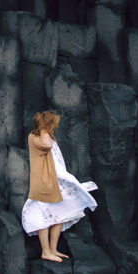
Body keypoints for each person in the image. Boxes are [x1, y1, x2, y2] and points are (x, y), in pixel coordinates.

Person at [21, 111, 98, 262]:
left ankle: (53, 249)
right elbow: (46, 146)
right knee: (41, 212)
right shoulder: (35, 136)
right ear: (47, 124)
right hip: (43, 181)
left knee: (62, 210)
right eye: (53, 124)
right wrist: (44, 130)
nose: (55, 127)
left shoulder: (48, 137)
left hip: (56, 180)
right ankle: (46, 251)